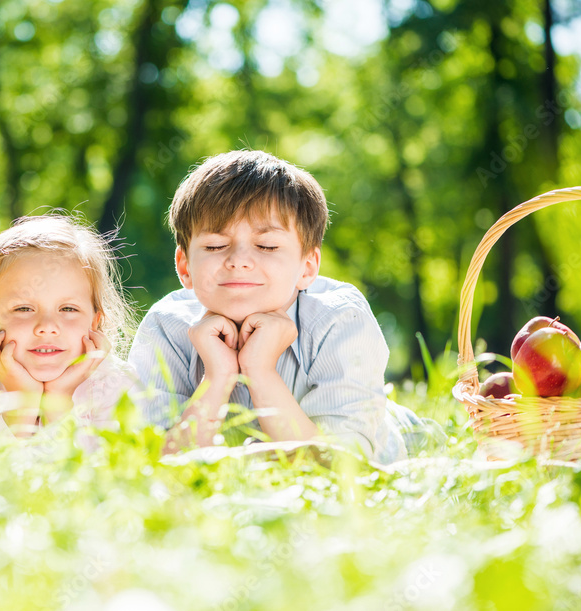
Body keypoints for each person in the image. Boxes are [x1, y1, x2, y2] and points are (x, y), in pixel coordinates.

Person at [129, 150, 424, 464]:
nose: (239, 260)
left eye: (266, 246)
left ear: (307, 267)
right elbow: (158, 464)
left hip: (390, 441)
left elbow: (341, 467)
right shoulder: (166, 325)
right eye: (215, 245)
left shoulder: (340, 319)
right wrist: (218, 376)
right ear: (185, 266)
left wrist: (260, 371)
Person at [0, 215, 138, 454]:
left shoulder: (114, 383)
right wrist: (21, 403)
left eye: (68, 309)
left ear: (94, 322)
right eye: (24, 309)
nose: (48, 326)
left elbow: (105, 481)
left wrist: (59, 403)